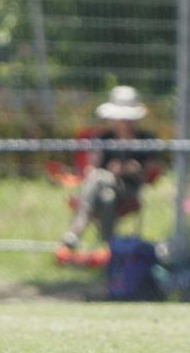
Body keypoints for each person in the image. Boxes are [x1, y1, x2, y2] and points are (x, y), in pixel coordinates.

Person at [58, 86, 159, 251]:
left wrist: (124, 170)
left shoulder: (145, 140)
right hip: (101, 190)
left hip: (128, 189)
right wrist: (109, 170)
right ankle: (108, 246)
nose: (123, 122)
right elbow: (91, 169)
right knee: (107, 196)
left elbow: (145, 171)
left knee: (99, 178)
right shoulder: (103, 138)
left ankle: (76, 229)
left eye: (127, 118)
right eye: (120, 118)